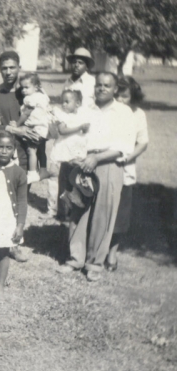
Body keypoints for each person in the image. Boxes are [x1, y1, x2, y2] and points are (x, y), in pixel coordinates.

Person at [57, 73, 136, 282]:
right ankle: (75, 259)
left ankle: (94, 263)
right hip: (84, 162)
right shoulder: (87, 109)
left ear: (115, 89)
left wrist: (97, 158)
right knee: (78, 210)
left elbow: (124, 146)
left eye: (107, 86)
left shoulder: (124, 112)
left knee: (103, 214)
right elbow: (76, 134)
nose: (101, 88)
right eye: (99, 85)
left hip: (109, 164)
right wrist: (77, 156)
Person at [108, 76, 149, 271]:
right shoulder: (109, 110)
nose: (120, 100)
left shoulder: (138, 114)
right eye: (118, 96)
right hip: (104, 165)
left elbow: (143, 142)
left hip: (125, 167)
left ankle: (112, 253)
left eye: (125, 97)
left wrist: (128, 157)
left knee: (120, 214)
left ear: (133, 97)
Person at [0, 131, 27, 303]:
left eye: (8, 148)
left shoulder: (19, 172)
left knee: (3, 252)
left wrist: (20, 225)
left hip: (7, 217)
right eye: (0, 147)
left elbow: (22, 200)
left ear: (14, 149)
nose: (4, 151)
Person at [47, 90, 91, 218]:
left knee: (72, 183)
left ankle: (68, 210)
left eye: (67, 101)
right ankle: (53, 209)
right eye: (62, 101)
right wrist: (79, 128)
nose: (63, 105)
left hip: (75, 154)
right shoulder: (61, 115)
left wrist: (85, 128)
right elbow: (62, 130)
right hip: (62, 152)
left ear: (77, 103)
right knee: (55, 181)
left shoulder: (82, 115)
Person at [15, 73, 51, 183]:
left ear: (35, 87)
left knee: (31, 150)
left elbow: (26, 114)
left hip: (35, 127)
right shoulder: (43, 95)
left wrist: (17, 124)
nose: (23, 91)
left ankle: (32, 173)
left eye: (26, 87)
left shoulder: (30, 99)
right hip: (44, 127)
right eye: (22, 88)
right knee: (41, 149)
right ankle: (43, 169)